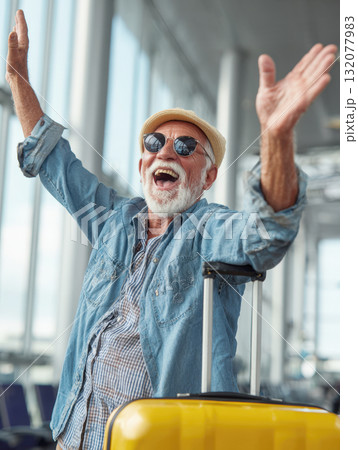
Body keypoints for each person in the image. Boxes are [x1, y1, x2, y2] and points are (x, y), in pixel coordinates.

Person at [6, 9, 337, 450]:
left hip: (157, 442)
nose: (167, 153)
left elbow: (268, 232)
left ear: (209, 176)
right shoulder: (114, 220)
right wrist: (17, 78)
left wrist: (276, 136)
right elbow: (54, 161)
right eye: (154, 143)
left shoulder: (210, 230)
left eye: (185, 147)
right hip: (74, 434)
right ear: (143, 161)